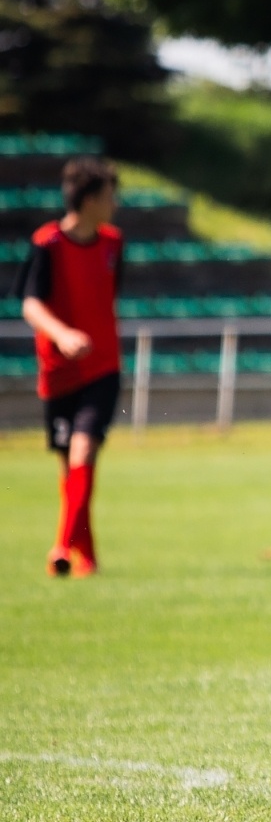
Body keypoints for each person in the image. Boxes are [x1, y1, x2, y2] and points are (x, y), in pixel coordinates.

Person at [15, 157, 124, 578]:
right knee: (72, 469)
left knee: (83, 451)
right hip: (59, 372)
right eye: (110, 195)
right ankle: (88, 557)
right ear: (91, 199)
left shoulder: (114, 244)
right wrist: (62, 335)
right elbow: (29, 303)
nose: (115, 203)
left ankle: (62, 545)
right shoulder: (47, 244)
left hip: (103, 367)